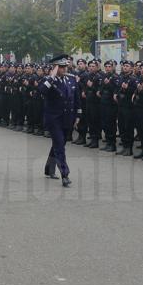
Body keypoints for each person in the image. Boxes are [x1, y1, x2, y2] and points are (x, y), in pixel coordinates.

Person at [38, 54, 81, 187]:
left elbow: (76, 99)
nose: (64, 69)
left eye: (65, 67)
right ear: (55, 68)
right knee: (59, 145)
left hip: (68, 118)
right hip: (54, 118)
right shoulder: (48, 80)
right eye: (61, 67)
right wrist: (52, 76)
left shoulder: (71, 79)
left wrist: (78, 115)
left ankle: (49, 169)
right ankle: (65, 174)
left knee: (58, 144)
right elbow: (42, 90)